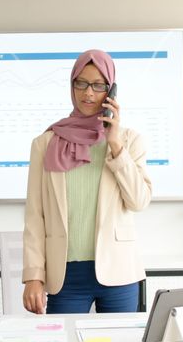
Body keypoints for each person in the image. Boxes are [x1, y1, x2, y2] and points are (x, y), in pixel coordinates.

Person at [22, 49, 152, 314]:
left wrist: (115, 144)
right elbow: (35, 215)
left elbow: (139, 201)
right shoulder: (44, 144)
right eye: (80, 83)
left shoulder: (129, 141)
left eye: (98, 85)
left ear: (111, 90)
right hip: (66, 274)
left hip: (119, 272)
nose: (88, 93)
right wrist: (33, 275)